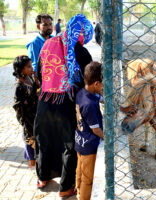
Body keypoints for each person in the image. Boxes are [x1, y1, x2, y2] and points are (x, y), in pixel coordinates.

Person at [34, 14, 94, 198]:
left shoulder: (48, 44)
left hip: (45, 101)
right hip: (68, 104)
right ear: (82, 33)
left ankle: (42, 178)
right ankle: (65, 187)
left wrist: (52, 85)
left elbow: (39, 72)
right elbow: (89, 80)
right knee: (70, 144)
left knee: (43, 139)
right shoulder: (80, 51)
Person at [75, 62, 103, 200]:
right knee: (88, 178)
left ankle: (79, 191)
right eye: (104, 84)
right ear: (97, 84)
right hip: (89, 146)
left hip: (79, 140)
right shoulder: (90, 105)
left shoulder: (82, 92)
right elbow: (96, 130)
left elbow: (101, 98)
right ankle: (83, 197)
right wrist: (109, 138)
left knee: (80, 170)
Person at [12, 55, 40, 168]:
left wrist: (36, 80)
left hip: (36, 116)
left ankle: (39, 169)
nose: (31, 68)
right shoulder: (19, 86)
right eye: (28, 67)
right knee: (31, 144)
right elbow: (18, 106)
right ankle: (32, 168)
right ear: (21, 69)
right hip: (28, 120)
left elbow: (37, 88)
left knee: (38, 145)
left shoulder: (30, 78)